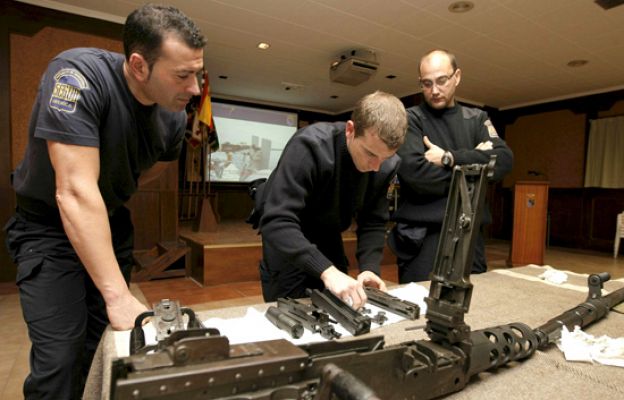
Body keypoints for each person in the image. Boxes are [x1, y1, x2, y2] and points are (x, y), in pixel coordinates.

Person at [3, 4, 205, 399]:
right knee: (60, 357)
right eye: (183, 75)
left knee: (105, 346)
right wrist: (117, 295)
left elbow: (153, 168)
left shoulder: (174, 115)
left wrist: (112, 188)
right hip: (47, 228)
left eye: (197, 73)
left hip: (109, 225)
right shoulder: (76, 75)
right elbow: (75, 193)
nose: (196, 88)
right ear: (138, 65)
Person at [252, 91, 407, 310]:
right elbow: (276, 220)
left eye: (386, 158)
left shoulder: (385, 165)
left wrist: (369, 267)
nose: (376, 167)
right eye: (370, 154)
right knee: (292, 315)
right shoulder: (309, 146)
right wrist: (328, 271)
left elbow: (373, 220)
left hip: (329, 232)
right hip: (287, 234)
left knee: (339, 308)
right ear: (350, 130)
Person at [390, 49, 513, 283]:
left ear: (456, 77)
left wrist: (450, 158)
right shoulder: (409, 119)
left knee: (477, 309)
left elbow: (504, 160)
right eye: (426, 84)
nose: (434, 90)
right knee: (418, 309)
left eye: (441, 81)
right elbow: (417, 176)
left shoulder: (476, 119)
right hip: (424, 238)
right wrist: (477, 168)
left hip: (470, 237)